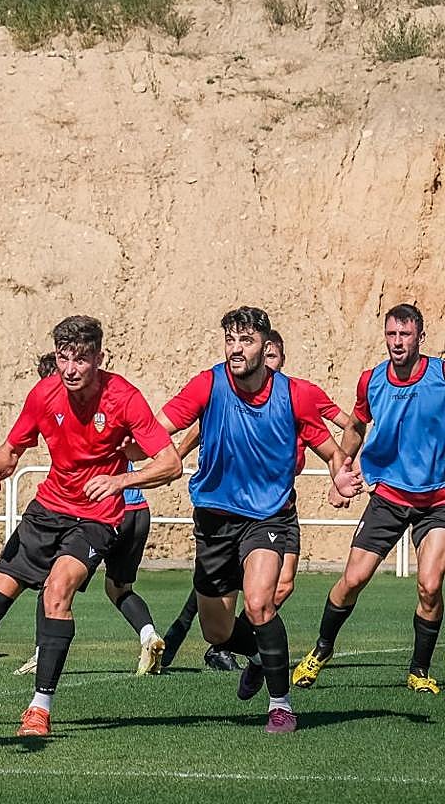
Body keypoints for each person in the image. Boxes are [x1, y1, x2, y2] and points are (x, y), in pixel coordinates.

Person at [0, 315, 182, 737]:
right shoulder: (44, 395)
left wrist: (120, 480)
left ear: (99, 357)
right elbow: (10, 450)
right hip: (47, 510)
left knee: (57, 591)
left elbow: (170, 462)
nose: (71, 369)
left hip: (98, 517)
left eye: (81, 359)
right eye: (64, 358)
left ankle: (40, 706)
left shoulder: (124, 398)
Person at [156, 306, 360, 734]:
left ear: (266, 348)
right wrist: (123, 450)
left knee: (261, 602)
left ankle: (280, 704)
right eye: (230, 340)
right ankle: (261, 657)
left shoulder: (295, 394)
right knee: (217, 632)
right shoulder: (207, 383)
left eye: (245, 341)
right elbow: (160, 428)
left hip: (268, 517)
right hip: (214, 519)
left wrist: (341, 475)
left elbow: (330, 450)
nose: (235, 349)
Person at [293, 304, 445, 694]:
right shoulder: (371, 381)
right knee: (353, 579)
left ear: (420, 338)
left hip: (437, 501)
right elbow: (357, 425)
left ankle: (419, 670)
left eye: (405, 335)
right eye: (391, 334)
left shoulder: (441, 375)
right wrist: (341, 471)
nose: (397, 343)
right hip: (389, 495)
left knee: (429, 585)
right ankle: (321, 650)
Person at [14, 352, 167, 677]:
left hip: (103, 515)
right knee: (119, 589)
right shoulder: (109, 406)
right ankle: (148, 634)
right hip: (138, 511)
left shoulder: (77, 415)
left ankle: (43, 654)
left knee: (52, 584)